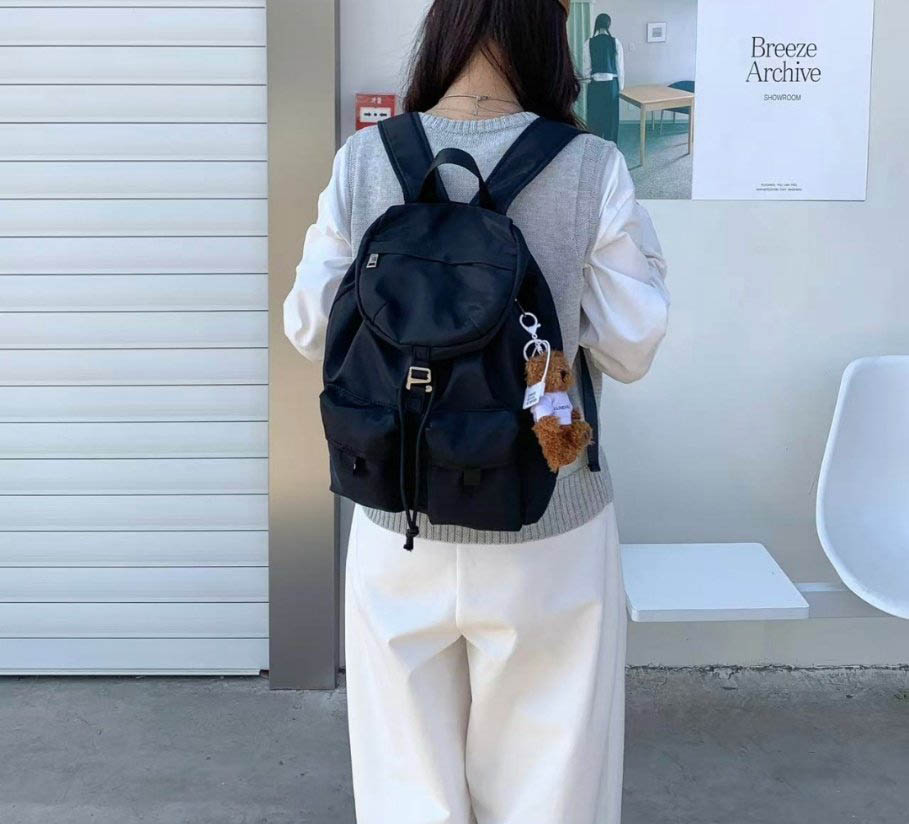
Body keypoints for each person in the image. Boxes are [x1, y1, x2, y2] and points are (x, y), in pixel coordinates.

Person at [283, 0, 669, 821]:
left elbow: (309, 326)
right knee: (549, 786)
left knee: (405, 786)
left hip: (398, 511)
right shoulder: (590, 164)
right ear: (548, 38)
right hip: (548, 519)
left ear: (444, 29)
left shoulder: (366, 157)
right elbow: (630, 347)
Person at [583, 13, 625, 142]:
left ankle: (595, 146)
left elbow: (586, 67)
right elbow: (620, 67)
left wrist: (588, 81)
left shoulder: (588, 42)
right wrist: (620, 87)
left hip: (595, 86)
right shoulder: (615, 42)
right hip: (611, 86)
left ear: (596, 24)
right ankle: (611, 147)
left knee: (594, 118)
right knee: (611, 119)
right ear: (609, 25)